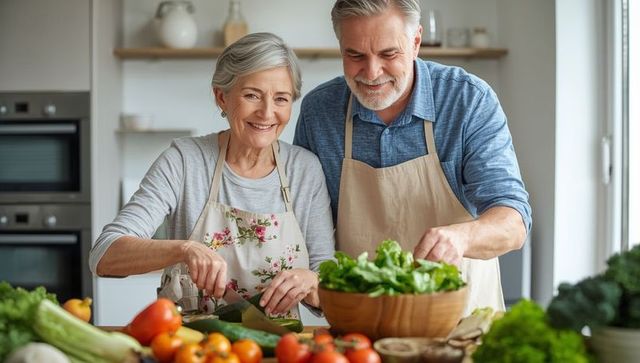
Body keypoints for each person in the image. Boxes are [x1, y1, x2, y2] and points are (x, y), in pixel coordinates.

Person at [294, 0, 531, 314]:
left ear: (416, 42)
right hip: (361, 326)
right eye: (355, 55)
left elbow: (513, 221)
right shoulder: (319, 111)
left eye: (388, 54)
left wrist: (462, 237)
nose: (372, 72)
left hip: (459, 323)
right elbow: (306, 226)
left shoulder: (467, 99)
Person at [90, 32, 335, 319]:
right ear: (222, 97)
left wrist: (312, 283)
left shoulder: (305, 169)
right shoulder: (184, 160)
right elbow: (104, 256)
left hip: (279, 348)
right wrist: (184, 249)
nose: (267, 113)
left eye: (281, 99)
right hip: (188, 348)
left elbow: (328, 289)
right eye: (252, 95)